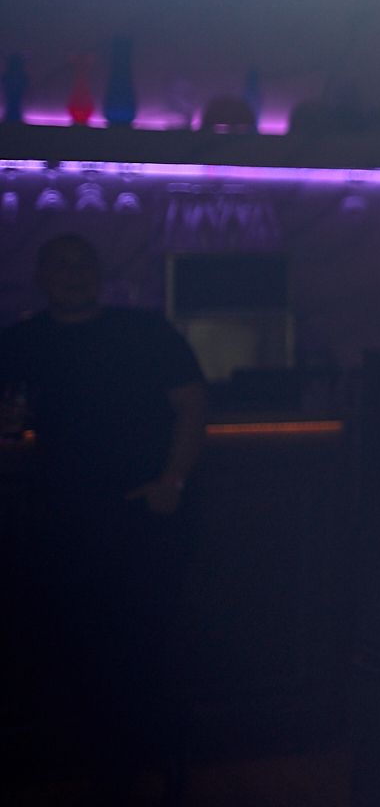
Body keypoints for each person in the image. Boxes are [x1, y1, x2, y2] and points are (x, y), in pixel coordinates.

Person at [1, 233, 207, 805]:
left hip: (140, 514)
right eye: (61, 266)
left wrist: (172, 483)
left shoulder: (144, 332)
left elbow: (193, 406)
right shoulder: (21, 340)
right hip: (60, 517)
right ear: (40, 278)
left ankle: (143, 767)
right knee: (73, 648)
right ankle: (106, 767)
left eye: (84, 264)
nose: (74, 274)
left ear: (100, 273)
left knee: (136, 648)